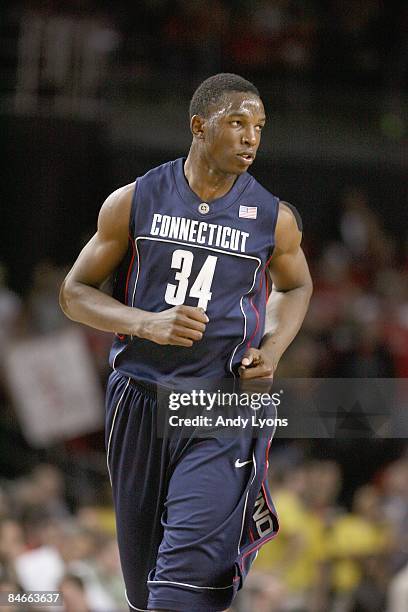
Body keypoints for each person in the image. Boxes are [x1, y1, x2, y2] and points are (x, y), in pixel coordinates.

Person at [60, 73, 313, 612]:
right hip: (139, 393)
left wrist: (270, 350)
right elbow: (73, 293)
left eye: (259, 127)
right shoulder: (134, 200)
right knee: (144, 590)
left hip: (218, 405)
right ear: (199, 126)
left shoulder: (274, 217)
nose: (251, 138)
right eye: (238, 123)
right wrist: (145, 323)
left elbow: (295, 286)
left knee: (185, 586)